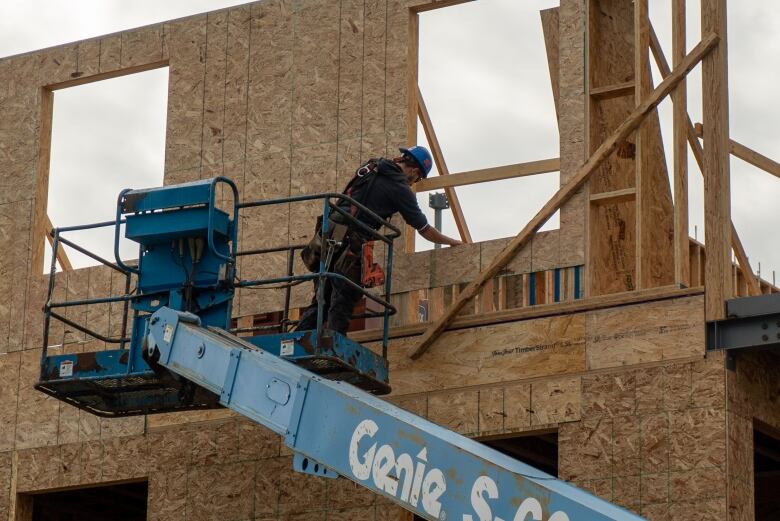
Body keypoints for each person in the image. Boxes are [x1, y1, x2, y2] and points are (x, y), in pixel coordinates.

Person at [296, 145, 462, 334]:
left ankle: (293, 342)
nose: (413, 183)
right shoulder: (400, 188)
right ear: (415, 171)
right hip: (350, 243)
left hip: (327, 235)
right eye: (417, 179)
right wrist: (452, 242)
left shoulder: (373, 166)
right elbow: (424, 230)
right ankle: (333, 345)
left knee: (321, 298)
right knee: (345, 295)